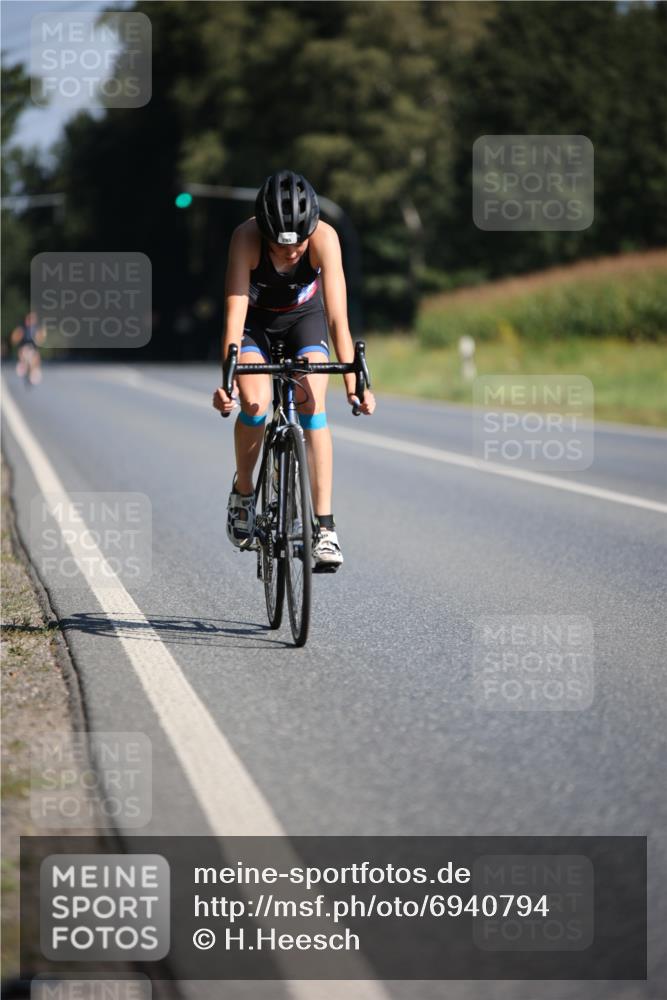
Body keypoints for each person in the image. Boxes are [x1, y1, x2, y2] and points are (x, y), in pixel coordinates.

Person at [213, 169, 375, 569]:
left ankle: (324, 528)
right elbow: (234, 319)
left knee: (312, 403)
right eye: (280, 246)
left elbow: (338, 319)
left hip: (306, 319)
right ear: (264, 233)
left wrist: (355, 383)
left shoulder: (325, 238)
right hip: (256, 324)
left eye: (298, 245)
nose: (290, 254)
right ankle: (245, 495)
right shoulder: (245, 238)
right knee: (255, 403)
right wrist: (228, 382)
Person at [11, 311, 45, 385]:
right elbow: (14, 338)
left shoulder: (37, 329)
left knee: (35, 356)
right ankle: (24, 365)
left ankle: (34, 370)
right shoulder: (22, 328)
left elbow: (41, 339)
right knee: (23, 352)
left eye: (32, 319)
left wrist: (40, 337)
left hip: (33, 349)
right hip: (24, 348)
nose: (30, 321)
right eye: (29, 319)